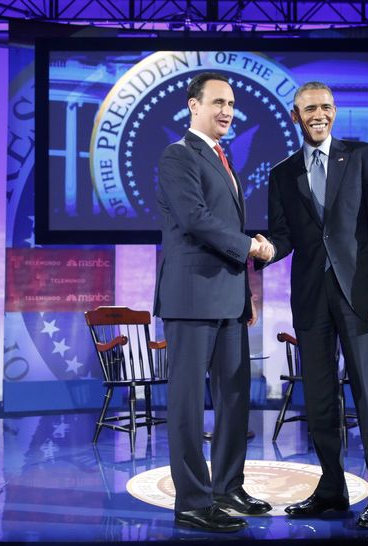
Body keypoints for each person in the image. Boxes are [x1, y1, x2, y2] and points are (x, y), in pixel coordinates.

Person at [257, 81, 368, 529]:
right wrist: (265, 249)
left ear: (334, 112)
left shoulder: (362, 156)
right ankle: (332, 488)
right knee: (319, 398)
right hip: (311, 300)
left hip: (360, 297)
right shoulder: (281, 174)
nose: (319, 114)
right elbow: (283, 237)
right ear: (295, 116)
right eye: (310, 109)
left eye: (327, 107)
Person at [153, 72, 274, 533]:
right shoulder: (178, 155)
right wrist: (251, 247)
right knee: (187, 404)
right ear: (193, 105)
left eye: (231, 104)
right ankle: (192, 501)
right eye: (218, 102)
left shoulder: (223, 158)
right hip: (190, 299)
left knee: (235, 398)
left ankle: (227, 487)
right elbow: (196, 220)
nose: (227, 111)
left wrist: (245, 292)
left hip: (227, 299)